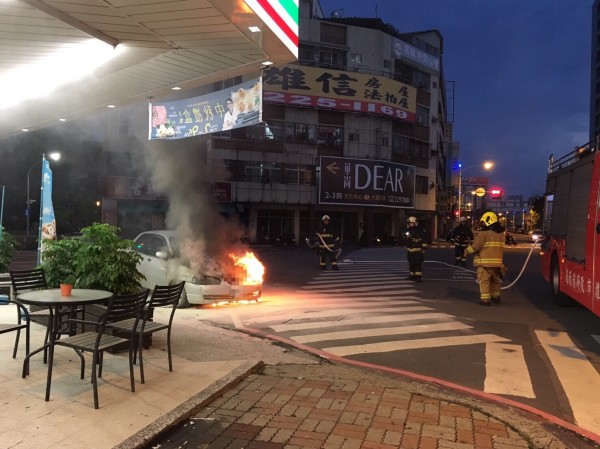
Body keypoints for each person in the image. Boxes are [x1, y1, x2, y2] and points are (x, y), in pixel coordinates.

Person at [464, 211, 505, 306]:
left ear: (488, 221)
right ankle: (496, 297)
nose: (482, 224)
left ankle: (485, 300)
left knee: (484, 281)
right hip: (498, 263)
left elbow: (475, 246)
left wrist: (466, 251)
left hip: (485, 263)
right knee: (495, 281)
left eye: (483, 222)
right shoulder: (501, 234)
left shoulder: (484, 234)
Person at [404, 216, 429, 282]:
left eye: (411, 223)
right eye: (409, 223)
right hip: (410, 250)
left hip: (418, 250)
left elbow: (424, 240)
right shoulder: (408, 230)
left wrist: (424, 248)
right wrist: (406, 235)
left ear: (415, 223)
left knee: (417, 264)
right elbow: (404, 235)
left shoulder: (420, 230)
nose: (410, 224)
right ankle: (412, 276)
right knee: (411, 263)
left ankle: (418, 277)